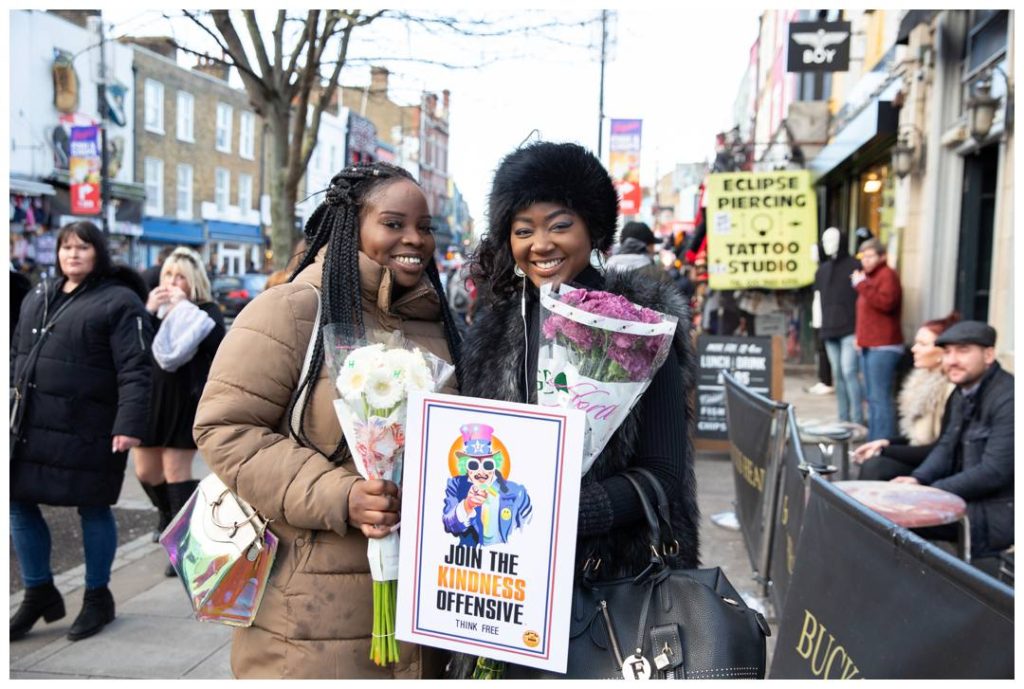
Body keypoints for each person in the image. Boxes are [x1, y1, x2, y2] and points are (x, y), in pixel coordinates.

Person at [193, 162, 461, 679]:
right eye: (394, 223)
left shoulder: (440, 324)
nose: (414, 238)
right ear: (351, 226)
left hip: (423, 602)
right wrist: (341, 495)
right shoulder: (294, 309)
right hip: (311, 612)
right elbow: (225, 428)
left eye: (424, 227)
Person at [452, 142, 699, 678]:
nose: (540, 244)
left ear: (592, 228)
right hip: (507, 590)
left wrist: (574, 510)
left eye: (558, 224)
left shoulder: (641, 325)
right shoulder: (491, 332)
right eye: (522, 229)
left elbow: (665, 476)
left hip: (610, 594)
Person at [10, 221, 153, 642]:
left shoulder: (119, 302)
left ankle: (97, 597)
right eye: (66, 247)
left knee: (92, 507)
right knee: (17, 502)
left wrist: (129, 424)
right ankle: (39, 591)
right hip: (31, 425)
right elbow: (17, 354)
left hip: (91, 427)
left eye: (82, 248)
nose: (72, 255)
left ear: (99, 254)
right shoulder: (39, 294)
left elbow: (136, 368)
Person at [134, 247, 226, 571]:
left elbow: (217, 345)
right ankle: (167, 517)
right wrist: (149, 310)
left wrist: (184, 309)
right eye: (168, 275)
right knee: (146, 471)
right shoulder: (154, 310)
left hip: (184, 399)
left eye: (180, 276)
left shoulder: (205, 311)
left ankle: (184, 548)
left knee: (176, 473)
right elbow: (137, 345)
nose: (173, 281)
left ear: (194, 280)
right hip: (151, 399)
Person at [893, 321, 1013, 562]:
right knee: (877, 512)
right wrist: (918, 478)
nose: (952, 360)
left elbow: (994, 471)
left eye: (963, 350)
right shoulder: (963, 391)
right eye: (947, 352)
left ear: (988, 355)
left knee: (891, 524)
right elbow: (946, 446)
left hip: (997, 513)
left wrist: (932, 493)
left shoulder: (1009, 399)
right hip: (967, 499)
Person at [852, 312, 959, 480]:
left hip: (938, 466)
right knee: (874, 463)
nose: (914, 349)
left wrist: (885, 450)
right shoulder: (921, 381)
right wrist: (886, 443)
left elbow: (940, 448)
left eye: (923, 344)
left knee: (876, 466)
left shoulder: (950, 390)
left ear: (942, 352)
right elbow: (914, 436)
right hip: (923, 457)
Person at [442, 423, 532, 547]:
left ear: (495, 465)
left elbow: (529, 533)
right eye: (473, 465)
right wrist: (467, 505)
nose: (481, 472)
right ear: (465, 467)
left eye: (487, 465)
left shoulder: (517, 493)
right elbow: (448, 524)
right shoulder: (455, 486)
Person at [851, 238, 903, 440]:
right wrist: (860, 338)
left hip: (884, 346)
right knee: (872, 398)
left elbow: (886, 303)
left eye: (871, 255)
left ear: (882, 256)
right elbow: (867, 315)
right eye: (863, 256)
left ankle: (882, 443)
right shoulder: (869, 277)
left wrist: (863, 285)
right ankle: (873, 441)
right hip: (869, 345)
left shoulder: (887, 275)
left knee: (880, 398)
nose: (866, 260)